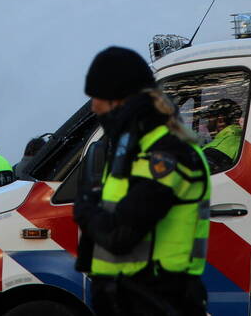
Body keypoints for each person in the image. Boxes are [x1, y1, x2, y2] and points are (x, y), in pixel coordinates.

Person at [73, 46, 212, 316]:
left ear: (118, 100)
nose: (93, 106)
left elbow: (120, 234)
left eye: (97, 97)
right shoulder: (133, 148)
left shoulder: (168, 152)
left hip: (157, 300)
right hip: (129, 300)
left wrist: (85, 209)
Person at [202, 99, 243, 173]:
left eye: (209, 120)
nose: (207, 125)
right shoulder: (243, 141)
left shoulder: (214, 150)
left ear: (220, 120)